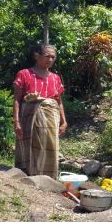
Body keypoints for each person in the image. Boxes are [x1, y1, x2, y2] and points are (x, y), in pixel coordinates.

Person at [13, 44, 68, 179]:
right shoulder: (24, 74)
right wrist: (16, 121)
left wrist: (64, 122)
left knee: (49, 146)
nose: (50, 59)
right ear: (37, 56)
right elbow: (17, 100)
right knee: (28, 146)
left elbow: (59, 101)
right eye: (47, 56)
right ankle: (26, 177)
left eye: (53, 57)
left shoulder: (55, 78)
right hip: (28, 118)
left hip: (51, 119)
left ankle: (48, 178)